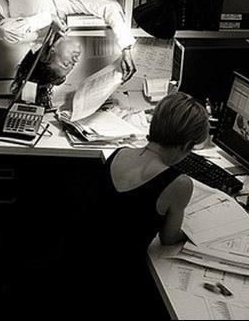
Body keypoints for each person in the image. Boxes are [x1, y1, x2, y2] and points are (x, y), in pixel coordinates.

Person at [75, 92, 206, 316]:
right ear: (186, 145)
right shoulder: (179, 184)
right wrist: (191, 233)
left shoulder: (119, 153)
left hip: (80, 264)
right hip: (117, 282)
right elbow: (168, 239)